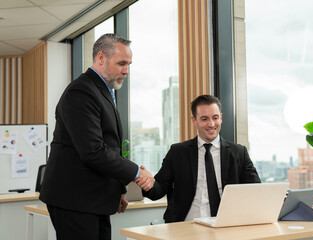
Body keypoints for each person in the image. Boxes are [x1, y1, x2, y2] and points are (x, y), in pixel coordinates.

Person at [39, 33, 154, 240]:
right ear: (101, 58)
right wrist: (137, 172)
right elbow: (93, 151)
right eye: (121, 63)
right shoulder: (81, 92)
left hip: (93, 199)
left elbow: (111, 147)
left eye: (129, 64)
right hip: (75, 200)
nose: (126, 71)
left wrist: (118, 190)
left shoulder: (103, 91)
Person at [141, 94, 260, 223]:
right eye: (204, 119)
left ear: (221, 118)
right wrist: (149, 184)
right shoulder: (177, 152)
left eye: (215, 118)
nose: (211, 124)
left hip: (226, 226)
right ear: (194, 120)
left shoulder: (239, 152)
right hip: (185, 226)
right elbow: (159, 189)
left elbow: (255, 190)